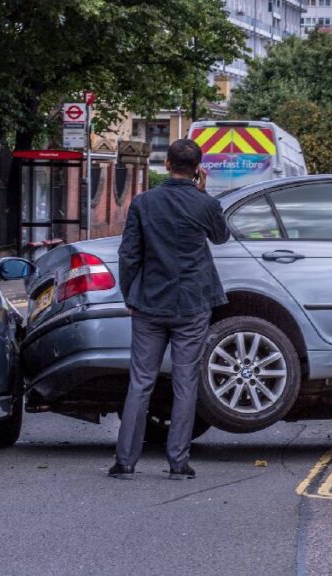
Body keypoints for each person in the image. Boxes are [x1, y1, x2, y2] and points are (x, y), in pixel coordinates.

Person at [109, 139, 230, 480]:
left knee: (141, 381)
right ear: (198, 168)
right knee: (185, 382)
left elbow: (129, 254)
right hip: (191, 305)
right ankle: (178, 462)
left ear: (166, 165)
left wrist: (130, 296)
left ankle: (125, 462)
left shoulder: (144, 203)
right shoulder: (203, 203)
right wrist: (204, 193)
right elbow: (221, 237)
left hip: (148, 303)